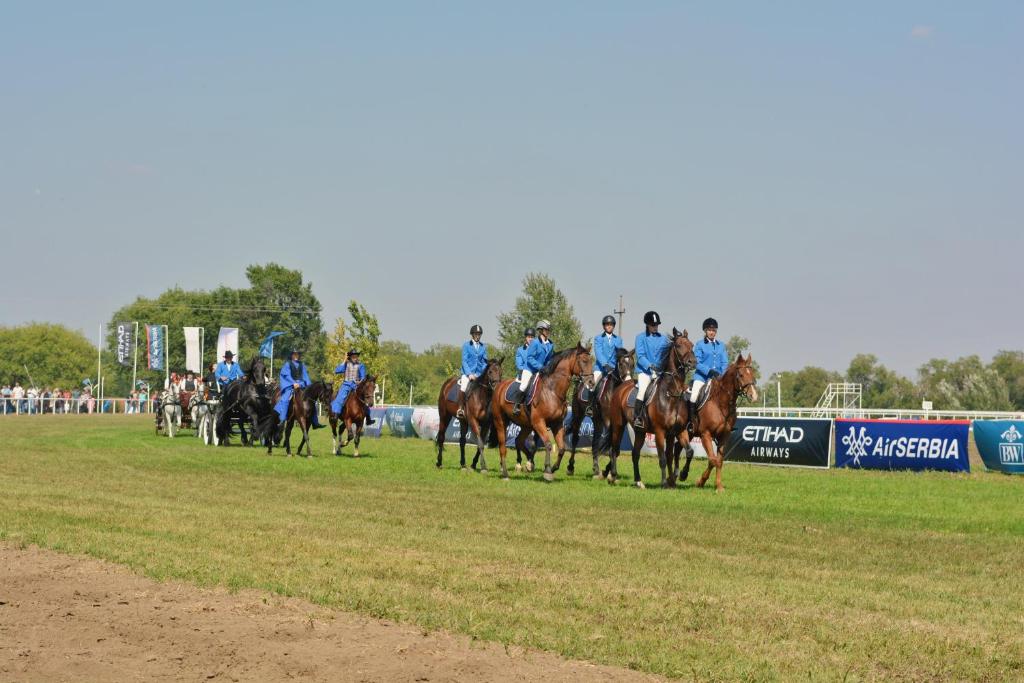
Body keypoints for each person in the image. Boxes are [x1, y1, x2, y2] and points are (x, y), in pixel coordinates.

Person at [633, 310, 671, 429]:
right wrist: (650, 365)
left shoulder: (663, 339)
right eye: (653, 325)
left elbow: (665, 356)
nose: (655, 327)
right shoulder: (640, 337)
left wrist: (660, 367)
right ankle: (638, 418)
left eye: (657, 325)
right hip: (645, 372)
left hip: (659, 372)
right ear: (647, 325)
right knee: (642, 391)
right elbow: (640, 356)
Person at [689, 317, 728, 427]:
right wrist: (709, 371)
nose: (712, 332)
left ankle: (727, 423)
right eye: (710, 330)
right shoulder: (700, 344)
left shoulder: (721, 345)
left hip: (718, 378)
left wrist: (722, 374)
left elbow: (725, 362)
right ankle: (691, 422)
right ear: (705, 331)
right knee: (694, 396)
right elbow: (697, 362)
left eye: (714, 330)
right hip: (702, 378)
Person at [513, 319, 553, 416]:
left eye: (549, 330)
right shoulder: (535, 342)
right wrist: (540, 367)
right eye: (546, 329)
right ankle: (516, 405)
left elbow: (549, 359)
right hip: (530, 369)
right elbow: (529, 358)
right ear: (541, 330)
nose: (548, 331)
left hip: (542, 370)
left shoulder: (550, 344)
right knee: (524, 386)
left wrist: (549, 367)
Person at [275, 349, 323, 428]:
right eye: (294, 354)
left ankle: (315, 422)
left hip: (301, 385)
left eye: (297, 354)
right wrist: (293, 383)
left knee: (311, 400)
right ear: (291, 355)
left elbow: (305, 376)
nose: (296, 356)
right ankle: (282, 419)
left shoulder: (302, 364)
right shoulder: (287, 364)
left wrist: (309, 386)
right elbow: (286, 375)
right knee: (285, 399)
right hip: (290, 385)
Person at [331, 349, 373, 424]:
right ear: (350, 357)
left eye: (356, 356)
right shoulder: (346, 364)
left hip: (356, 385)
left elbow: (363, 377)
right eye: (353, 356)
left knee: (364, 398)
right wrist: (344, 360)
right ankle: (336, 415)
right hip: (346, 385)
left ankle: (368, 418)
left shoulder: (361, 365)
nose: (355, 358)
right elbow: (337, 370)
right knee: (340, 398)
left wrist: (360, 381)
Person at [457, 325, 488, 418]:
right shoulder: (466, 345)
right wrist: (469, 374)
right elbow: (464, 361)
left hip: (479, 373)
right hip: (468, 373)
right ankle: (461, 408)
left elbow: (485, 362)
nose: (478, 336)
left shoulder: (483, 346)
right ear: (472, 335)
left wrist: (481, 373)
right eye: (476, 334)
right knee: (464, 386)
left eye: (479, 334)